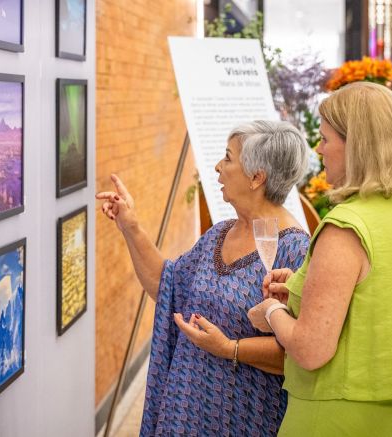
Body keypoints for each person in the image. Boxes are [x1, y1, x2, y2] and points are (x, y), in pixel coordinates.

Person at [181, 81, 392, 436]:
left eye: (326, 139)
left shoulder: (346, 227)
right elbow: (378, 305)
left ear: (357, 146)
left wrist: (273, 311)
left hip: (335, 416)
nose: (318, 149)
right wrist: (298, 289)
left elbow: (310, 350)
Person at [96, 120, 310, 436]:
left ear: (256, 177)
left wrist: (230, 348)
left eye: (228, 158)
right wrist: (131, 226)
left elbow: (300, 351)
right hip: (185, 410)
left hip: (242, 418)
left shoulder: (296, 250)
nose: (217, 167)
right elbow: (167, 286)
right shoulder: (218, 234)